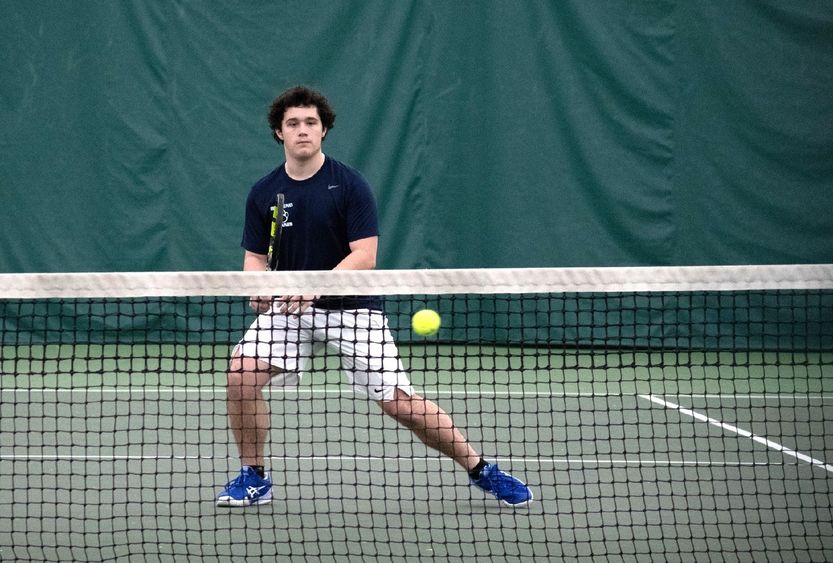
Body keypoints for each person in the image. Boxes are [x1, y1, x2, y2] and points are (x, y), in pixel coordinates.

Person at [216, 86, 533, 508]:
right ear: (279, 132)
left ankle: (480, 469)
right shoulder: (263, 192)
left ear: (324, 129)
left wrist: (314, 288)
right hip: (289, 309)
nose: (303, 130)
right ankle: (254, 477)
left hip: (352, 309)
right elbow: (255, 258)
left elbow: (364, 256)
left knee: (401, 405)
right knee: (240, 374)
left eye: (311, 122)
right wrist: (257, 289)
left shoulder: (349, 185)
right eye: (293, 123)